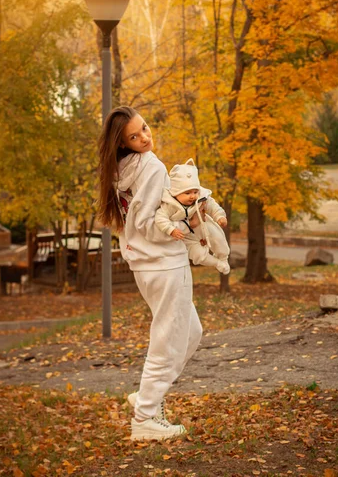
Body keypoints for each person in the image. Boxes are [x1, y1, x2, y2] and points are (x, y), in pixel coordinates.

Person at [97, 106, 203, 441]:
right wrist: (189, 223)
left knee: (191, 332)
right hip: (165, 263)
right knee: (166, 340)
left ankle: (147, 397)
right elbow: (147, 223)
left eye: (144, 128)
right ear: (124, 143)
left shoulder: (121, 169)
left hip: (145, 264)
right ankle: (144, 417)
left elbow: (133, 222)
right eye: (134, 135)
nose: (145, 136)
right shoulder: (152, 167)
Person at [155, 159, 231, 275]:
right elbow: (160, 218)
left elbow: (212, 206)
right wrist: (171, 230)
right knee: (197, 255)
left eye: (195, 192)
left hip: (203, 225)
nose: (192, 196)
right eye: (187, 193)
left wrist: (219, 216)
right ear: (176, 192)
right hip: (187, 236)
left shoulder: (201, 199)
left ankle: (223, 257)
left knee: (218, 237)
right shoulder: (170, 205)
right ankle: (216, 263)